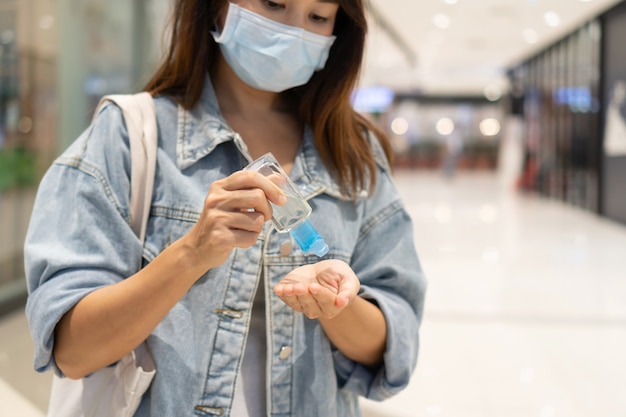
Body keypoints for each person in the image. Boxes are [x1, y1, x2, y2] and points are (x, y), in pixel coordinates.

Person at [24, 0, 427, 415]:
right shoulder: (128, 137)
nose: (293, 30)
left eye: (318, 17)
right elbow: (73, 352)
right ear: (217, 8)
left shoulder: (355, 155)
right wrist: (190, 253)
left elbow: (392, 348)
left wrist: (336, 305)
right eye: (274, 4)